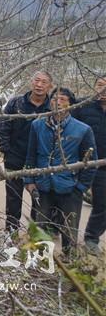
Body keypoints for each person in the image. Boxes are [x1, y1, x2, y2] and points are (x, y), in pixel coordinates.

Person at [25, 86, 98, 256]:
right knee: (39, 229)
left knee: (69, 231)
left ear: (71, 105)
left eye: (62, 100)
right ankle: (38, 261)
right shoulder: (37, 125)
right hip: (43, 186)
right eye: (54, 99)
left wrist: (80, 187)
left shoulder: (82, 129)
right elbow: (30, 157)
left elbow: (91, 162)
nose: (57, 103)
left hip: (69, 188)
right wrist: (29, 182)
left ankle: (69, 262)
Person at [0, 70, 53, 233]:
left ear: (50, 86)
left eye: (44, 82)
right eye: (37, 80)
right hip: (15, 157)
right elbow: (4, 125)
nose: (39, 85)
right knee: (13, 197)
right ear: (31, 82)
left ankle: (35, 232)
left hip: (40, 160)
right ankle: (11, 231)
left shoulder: (52, 107)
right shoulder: (17, 103)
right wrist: (5, 149)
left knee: (40, 198)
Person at [74, 75, 106, 254]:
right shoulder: (81, 106)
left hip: (103, 167)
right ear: (94, 87)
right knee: (69, 198)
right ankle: (58, 229)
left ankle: (92, 238)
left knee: (102, 204)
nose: (103, 89)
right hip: (79, 163)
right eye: (100, 85)